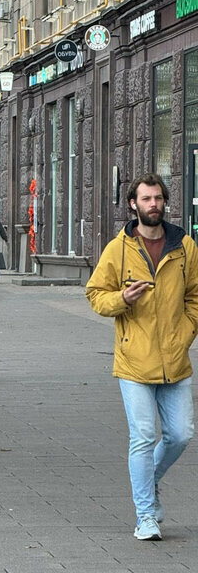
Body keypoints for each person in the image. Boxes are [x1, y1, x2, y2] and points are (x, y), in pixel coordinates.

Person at [85, 172, 198, 542]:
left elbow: (195, 296)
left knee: (180, 435)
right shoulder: (119, 248)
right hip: (134, 360)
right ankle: (145, 515)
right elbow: (95, 293)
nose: (153, 205)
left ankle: (150, 484)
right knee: (144, 436)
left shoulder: (185, 246)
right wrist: (122, 300)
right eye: (146, 199)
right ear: (133, 204)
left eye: (158, 198)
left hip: (175, 358)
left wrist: (186, 333)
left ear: (165, 202)